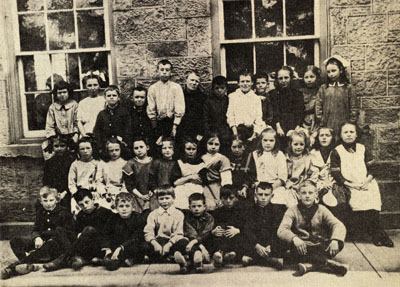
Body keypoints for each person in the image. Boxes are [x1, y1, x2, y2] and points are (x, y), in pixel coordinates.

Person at [330, 122, 393, 247]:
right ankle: (377, 234)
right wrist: (352, 185)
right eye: (345, 132)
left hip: (365, 182)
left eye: (351, 132)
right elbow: (337, 174)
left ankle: (377, 234)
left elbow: (372, 168)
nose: (349, 135)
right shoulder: (337, 151)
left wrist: (366, 181)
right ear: (341, 135)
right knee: (358, 200)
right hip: (348, 184)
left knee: (372, 198)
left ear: (356, 134)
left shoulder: (362, 148)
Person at [278, 181, 348, 276]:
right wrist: (294, 238)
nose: (307, 196)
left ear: (316, 194)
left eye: (310, 193)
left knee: (339, 244)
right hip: (301, 246)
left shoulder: (322, 209)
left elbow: (338, 225)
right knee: (288, 246)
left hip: (319, 245)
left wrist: (335, 240)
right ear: (298, 195)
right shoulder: (292, 210)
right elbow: (282, 229)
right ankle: (326, 264)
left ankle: (310, 265)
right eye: (304, 193)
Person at [2, 187, 75, 279]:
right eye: (45, 201)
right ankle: (30, 261)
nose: (48, 204)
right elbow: (35, 229)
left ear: (56, 200)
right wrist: (37, 238)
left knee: (47, 247)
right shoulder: (41, 212)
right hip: (41, 241)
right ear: (41, 201)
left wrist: (51, 239)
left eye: (51, 200)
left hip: (55, 244)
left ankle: (13, 268)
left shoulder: (64, 213)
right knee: (15, 241)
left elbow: (68, 233)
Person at [43, 188, 113, 271]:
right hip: (83, 246)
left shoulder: (106, 212)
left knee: (88, 229)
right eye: (81, 205)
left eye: (87, 202)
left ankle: (63, 259)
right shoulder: (80, 215)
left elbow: (110, 233)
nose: (85, 206)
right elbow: (76, 232)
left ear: (93, 199)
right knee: (59, 229)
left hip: (99, 246)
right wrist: (79, 234)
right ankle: (73, 257)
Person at [143, 185, 189, 272]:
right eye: (161, 199)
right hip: (158, 242)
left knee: (184, 242)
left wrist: (169, 244)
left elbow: (179, 233)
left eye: (167, 198)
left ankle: (166, 257)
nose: (164, 201)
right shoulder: (153, 214)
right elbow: (148, 232)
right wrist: (155, 244)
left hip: (172, 241)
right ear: (157, 200)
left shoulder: (178, 214)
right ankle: (170, 257)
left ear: (173, 198)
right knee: (144, 245)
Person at [310, 127, 349, 222]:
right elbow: (312, 173)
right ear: (317, 138)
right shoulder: (312, 153)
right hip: (318, 183)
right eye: (321, 135)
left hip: (334, 182)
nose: (324, 138)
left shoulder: (337, 152)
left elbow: (341, 172)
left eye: (327, 135)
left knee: (339, 202)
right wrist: (322, 184)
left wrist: (332, 183)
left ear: (332, 138)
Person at [242, 182, 283, 270]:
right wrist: (256, 245)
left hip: (270, 244)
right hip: (255, 243)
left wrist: (270, 245)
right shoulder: (249, 210)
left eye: (266, 195)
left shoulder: (277, 210)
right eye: (260, 194)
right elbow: (248, 229)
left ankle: (254, 260)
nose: (263, 197)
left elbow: (277, 230)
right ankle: (270, 260)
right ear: (255, 195)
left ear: (272, 196)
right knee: (243, 238)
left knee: (281, 240)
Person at [100, 193, 147, 271]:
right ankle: (115, 260)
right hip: (116, 245)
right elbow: (106, 234)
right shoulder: (113, 218)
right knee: (107, 251)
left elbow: (137, 237)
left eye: (127, 206)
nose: (124, 209)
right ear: (116, 208)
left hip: (130, 245)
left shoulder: (138, 218)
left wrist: (120, 248)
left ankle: (131, 259)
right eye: (121, 206)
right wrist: (107, 249)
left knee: (143, 246)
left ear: (133, 207)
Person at [315, 56, 358, 138]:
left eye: (333, 71)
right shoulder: (324, 88)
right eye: (328, 72)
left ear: (341, 70)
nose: (331, 74)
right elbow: (318, 106)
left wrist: (350, 124)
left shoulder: (348, 88)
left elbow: (353, 107)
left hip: (344, 123)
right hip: (327, 123)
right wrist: (321, 122)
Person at [146, 59, 185, 142]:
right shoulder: (153, 88)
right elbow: (151, 108)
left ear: (171, 72)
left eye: (167, 70)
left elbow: (180, 107)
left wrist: (175, 126)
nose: (164, 72)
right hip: (158, 123)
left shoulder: (176, 87)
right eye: (162, 70)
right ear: (157, 71)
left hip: (173, 122)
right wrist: (155, 128)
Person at [68, 137, 105, 216]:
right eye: (82, 149)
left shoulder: (98, 163)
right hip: (79, 193)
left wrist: (100, 192)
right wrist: (76, 194)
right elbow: (71, 184)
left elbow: (99, 180)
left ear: (92, 149)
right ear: (78, 150)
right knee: (77, 211)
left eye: (88, 148)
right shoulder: (75, 165)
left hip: (94, 193)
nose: (85, 151)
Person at [270, 66, 304, 150]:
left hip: (293, 123)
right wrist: (278, 127)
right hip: (278, 125)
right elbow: (274, 111)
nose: (283, 81)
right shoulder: (273, 94)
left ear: (291, 78)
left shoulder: (297, 94)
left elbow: (299, 112)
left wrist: (295, 129)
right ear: (277, 80)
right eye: (280, 78)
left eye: (286, 78)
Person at [43, 80, 79, 160]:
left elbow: (77, 122)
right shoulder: (53, 107)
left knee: (72, 156)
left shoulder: (74, 105)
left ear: (69, 92)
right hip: (57, 138)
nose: (62, 95)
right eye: (59, 93)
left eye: (64, 92)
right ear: (56, 94)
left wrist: (75, 136)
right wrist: (53, 137)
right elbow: (49, 125)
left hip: (72, 136)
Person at [211, 185, 244, 267]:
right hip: (222, 237)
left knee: (241, 238)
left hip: (235, 236)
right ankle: (220, 254)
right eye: (225, 198)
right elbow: (212, 225)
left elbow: (246, 226)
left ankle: (230, 254)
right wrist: (214, 231)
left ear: (236, 198)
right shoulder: (217, 212)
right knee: (215, 238)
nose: (228, 201)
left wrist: (237, 230)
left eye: (231, 198)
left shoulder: (241, 211)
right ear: (221, 199)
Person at [227, 71, 265, 142]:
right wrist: (235, 134)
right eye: (242, 81)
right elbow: (230, 115)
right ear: (238, 83)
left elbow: (258, 117)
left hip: (252, 130)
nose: (245, 84)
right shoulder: (232, 97)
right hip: (236, 129)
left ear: (252, 83)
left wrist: (253, 136)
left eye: (247, 81)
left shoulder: (256, 98)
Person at [93, 85, 132, 153]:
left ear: (118, 97)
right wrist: (102, 144)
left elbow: (128, 129)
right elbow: (97, 131)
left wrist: (123, 141)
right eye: (109, 96)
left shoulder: (124, 112)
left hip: (121, 145)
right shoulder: (102, 114)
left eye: (114, 95)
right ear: (105, 97)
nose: (111, 97)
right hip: (106, 146)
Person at [43, 134, 75, 211]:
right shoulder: (49, 162)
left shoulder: (72, 162)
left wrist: (65, 192)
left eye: (62, 146)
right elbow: (46, 180)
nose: (59, 148)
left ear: (67, 146)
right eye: (56, 146)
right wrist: (53, 192)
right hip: (54, 191)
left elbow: (73, 180)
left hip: (68, 191)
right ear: (52, 147)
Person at [183, 193, 214, 273]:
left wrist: (196, 242)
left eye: (199, 206)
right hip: (193, 242)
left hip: (205, 240)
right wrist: (201, 246)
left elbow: (206, 233)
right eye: (193, 206)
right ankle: (198, 259)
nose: (196, 209)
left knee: (212, 238)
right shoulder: (187, 218)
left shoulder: (209, 218)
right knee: (188, 242)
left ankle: (198, 258)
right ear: (189, 208)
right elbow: (191, 234)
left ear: (204, 207)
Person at [201, 133, 233, 211]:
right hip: (202, 185)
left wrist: (224, 192)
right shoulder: (201, 157)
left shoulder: (222, 159)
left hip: (216, 186)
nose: (213, 146)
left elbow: (226, 179)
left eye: (216, 144)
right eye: (210, 143)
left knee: (214, 206)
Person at [122, 137, 154, 213]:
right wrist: (140, 196)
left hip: (151, 194)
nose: (139, 150)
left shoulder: (154, 162)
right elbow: (129, 184)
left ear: (147, 147)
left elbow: (155, 180)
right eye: (136, 148)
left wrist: (152, 191)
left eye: (141, 147)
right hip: (136, 194)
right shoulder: (130, 164)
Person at [173, 136, 205, 210]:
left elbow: (201, 181)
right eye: (188, 149)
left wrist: (183, 179)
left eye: (193, 149)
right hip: (181, 190)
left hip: (197, 190)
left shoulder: (202, 164)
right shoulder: (179, 162)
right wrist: (190, 177)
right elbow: (175, 182)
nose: (191, 151)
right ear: (184, 149)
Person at [98, 137, 128, 212]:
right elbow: (98, 181)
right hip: (106, 193)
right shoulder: (103, 163)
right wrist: (104, 193)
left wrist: (121, 194)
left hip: (121, 192)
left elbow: (127, 182)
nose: (114, 152)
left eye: (117, 150)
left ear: (121, 149)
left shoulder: (125, 163)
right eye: (111, 151)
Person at [203, 76, 231, 155]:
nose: (220, 90)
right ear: (212, 89)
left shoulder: (229, 100)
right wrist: (210, 133)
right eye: (217, 88)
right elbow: (205, 119)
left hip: (226, 132)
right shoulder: (208, 101)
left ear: (226, 89)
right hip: (212, 131)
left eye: (222, 88)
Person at [177, 71, 207, 144]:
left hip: (197, 132)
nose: (194, 83)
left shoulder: (203, 97)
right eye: (192, 80)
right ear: (186, 80)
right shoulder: (179, 95)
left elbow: (204, 116)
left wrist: (201, 132)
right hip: (181, 131)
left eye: (197, 81)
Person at [148, 137, 179, 209]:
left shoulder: (176, 163)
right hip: (158, 192)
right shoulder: (157, 162)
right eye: (164, 148)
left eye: (170, 148)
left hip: (172, 192)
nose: (167, 150)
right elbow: (151, 178)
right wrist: (155, 190)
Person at [77, 73, 105, 137]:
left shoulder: (104, 101)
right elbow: (79, 122)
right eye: (89, 85)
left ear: (99, 86)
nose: (92, 88)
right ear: (85, 87)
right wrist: (84, 134)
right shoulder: (82, 103)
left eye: (95, 85)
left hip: (101, 133)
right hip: (87, 132)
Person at [129, 86, 155, 155]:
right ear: (132, 98)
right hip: (134, 146)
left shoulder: (150, 111)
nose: (139, 99)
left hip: (148, 144)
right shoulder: (128, 112)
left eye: (142, 97)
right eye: (137, 97)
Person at [299, 66, 321, 146]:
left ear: (317, 78)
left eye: (312, 77)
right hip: (304, 120)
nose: (309, 80)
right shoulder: (300, 92)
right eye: (306, 77)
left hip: (317, 119)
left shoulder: (320, 91)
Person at [228, 135, 253, 202]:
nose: (237, 150)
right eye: (234, 147)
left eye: (239, 147)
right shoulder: (227, 159)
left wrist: (244, 188)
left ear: (244, 147)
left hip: (245, 187)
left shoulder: (249, 158)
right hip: (231, 188)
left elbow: (251, 175)